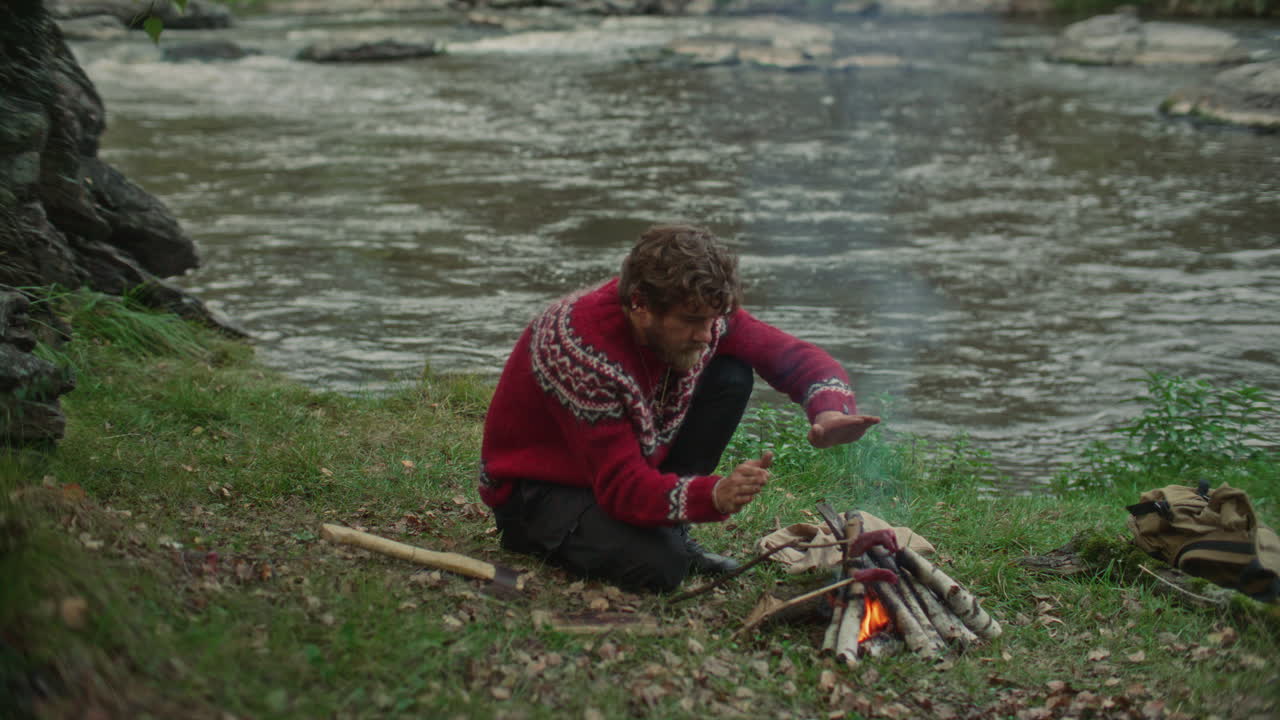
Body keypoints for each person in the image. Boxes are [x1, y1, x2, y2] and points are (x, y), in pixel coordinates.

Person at [478, 224, 879, 592]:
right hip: (538, 494)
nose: (706, 334)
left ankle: (667, 528)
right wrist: (714, 495)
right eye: (692, 321)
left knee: (731, 374)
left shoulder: (696, 311)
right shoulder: (582, 351)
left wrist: (827, 410)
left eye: (713, 320)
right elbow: (621, 488)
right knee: (661, 569)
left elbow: (786, 353)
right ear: (640, 305)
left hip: (608, 472)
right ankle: (642, 537)